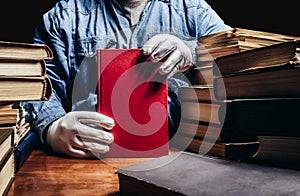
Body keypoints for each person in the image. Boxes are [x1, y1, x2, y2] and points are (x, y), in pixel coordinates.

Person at [23, 0, 231, 158]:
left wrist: (194, 55)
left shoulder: (194, 11)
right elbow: (36, 87)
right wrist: (52, 127)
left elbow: (243, 65)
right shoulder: (63, 18)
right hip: (90, 160)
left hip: (183, 159)